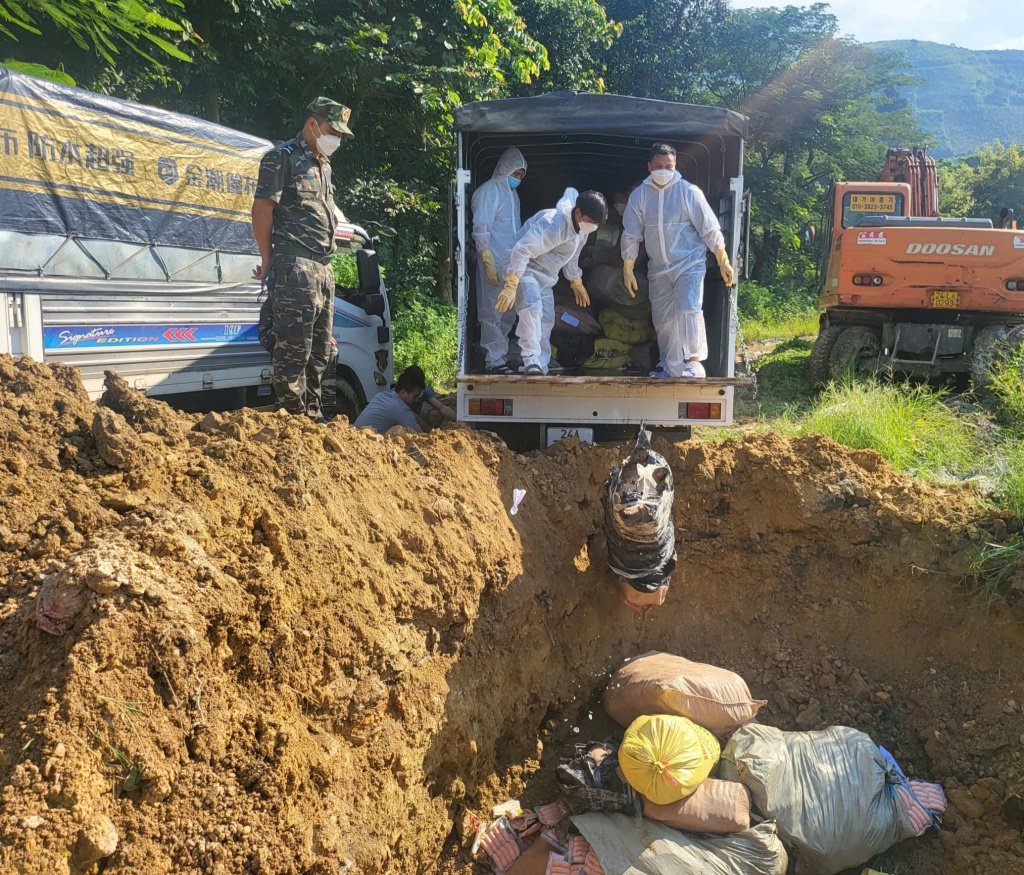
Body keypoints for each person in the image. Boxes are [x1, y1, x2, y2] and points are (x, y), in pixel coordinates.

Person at [252, 97, 353, 420]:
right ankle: (294, 422)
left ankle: (313, 419)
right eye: (332, 131)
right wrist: (267, 258)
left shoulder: (324, 166)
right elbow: (262, 209)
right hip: (295, 267)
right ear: (312, 124)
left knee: (321, 353)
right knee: (293, 353)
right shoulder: (282, 158)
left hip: (322, 268)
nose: (336, 139)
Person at [621, 143, 735, 379]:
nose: (664, 170)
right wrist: (628, 267)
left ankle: (694, 363)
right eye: (659, 166)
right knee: (663, 320)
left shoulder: (688, 192)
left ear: (675, 166)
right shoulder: (639, 196)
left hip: (689, 263)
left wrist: (722, 258)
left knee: (688, 308)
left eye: (669, 166)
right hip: (658, 268)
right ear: (649, 166)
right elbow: (631, 233)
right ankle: (670, 366)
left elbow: (709, 228)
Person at [497, 188, 608, 375]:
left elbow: (572, 257)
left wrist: (575, 281)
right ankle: (530, 360)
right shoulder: (553, 223)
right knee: (532, 310)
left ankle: (541, 364)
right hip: (525, 269)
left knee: (547, 319)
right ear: (578, 213)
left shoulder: (582, 229)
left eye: (597, 223)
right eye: (591, 221)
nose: (593, 226)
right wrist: (512, 282)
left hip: (546, 277)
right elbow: (522, 250)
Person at [472, 148, 528, 374]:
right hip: (493, 262)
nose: (518, 179)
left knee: (508, 312)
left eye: (522, 175)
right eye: (516, 173)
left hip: (510, 264)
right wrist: (488, 260)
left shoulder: (513, 195)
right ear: (505, 168)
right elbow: (481, 228)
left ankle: (501, 356)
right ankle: (493, 360)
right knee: (491, 313)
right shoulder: (488, 191)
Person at [353, 366, 455, 434]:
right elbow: (422, 438)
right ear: (403, 392)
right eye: (415, 396)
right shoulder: (401, 410)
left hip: (352, 436)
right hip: (365, 445)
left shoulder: (381, 395)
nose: (417, 400)